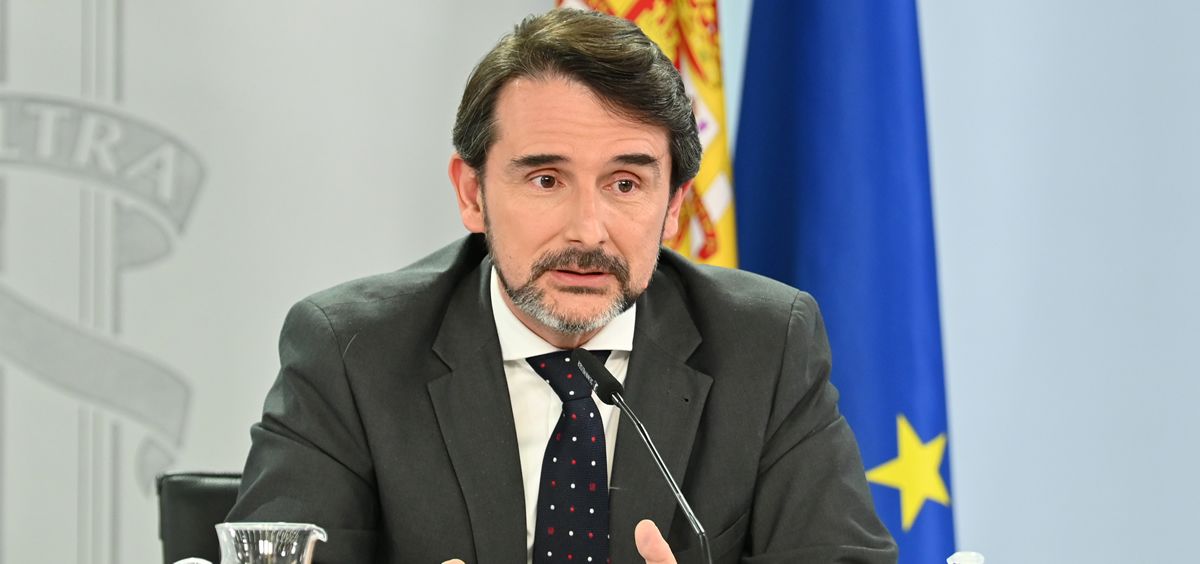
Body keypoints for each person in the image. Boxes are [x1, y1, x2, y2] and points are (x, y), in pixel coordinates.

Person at [228, 8, 896, 564]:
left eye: (625, 184)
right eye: (546, 180)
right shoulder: (352, 352)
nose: (587, 230)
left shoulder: (765, 345)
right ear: (472, 194)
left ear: (673, 206)